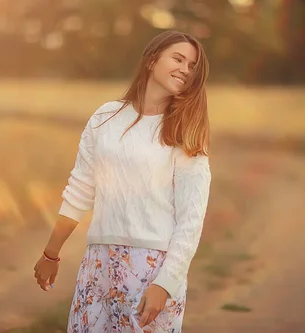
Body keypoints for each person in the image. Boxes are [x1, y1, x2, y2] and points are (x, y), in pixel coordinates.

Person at [33, 30, 212, 333]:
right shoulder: (105, 117)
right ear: (152, 59)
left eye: (192, 66)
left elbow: (191, 219)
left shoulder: (184, 130)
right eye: (178, 58)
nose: (185, 69)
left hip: (152, 271)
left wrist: (166, 283)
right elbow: (79, 190)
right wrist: (51, 253)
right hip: (98, 265)